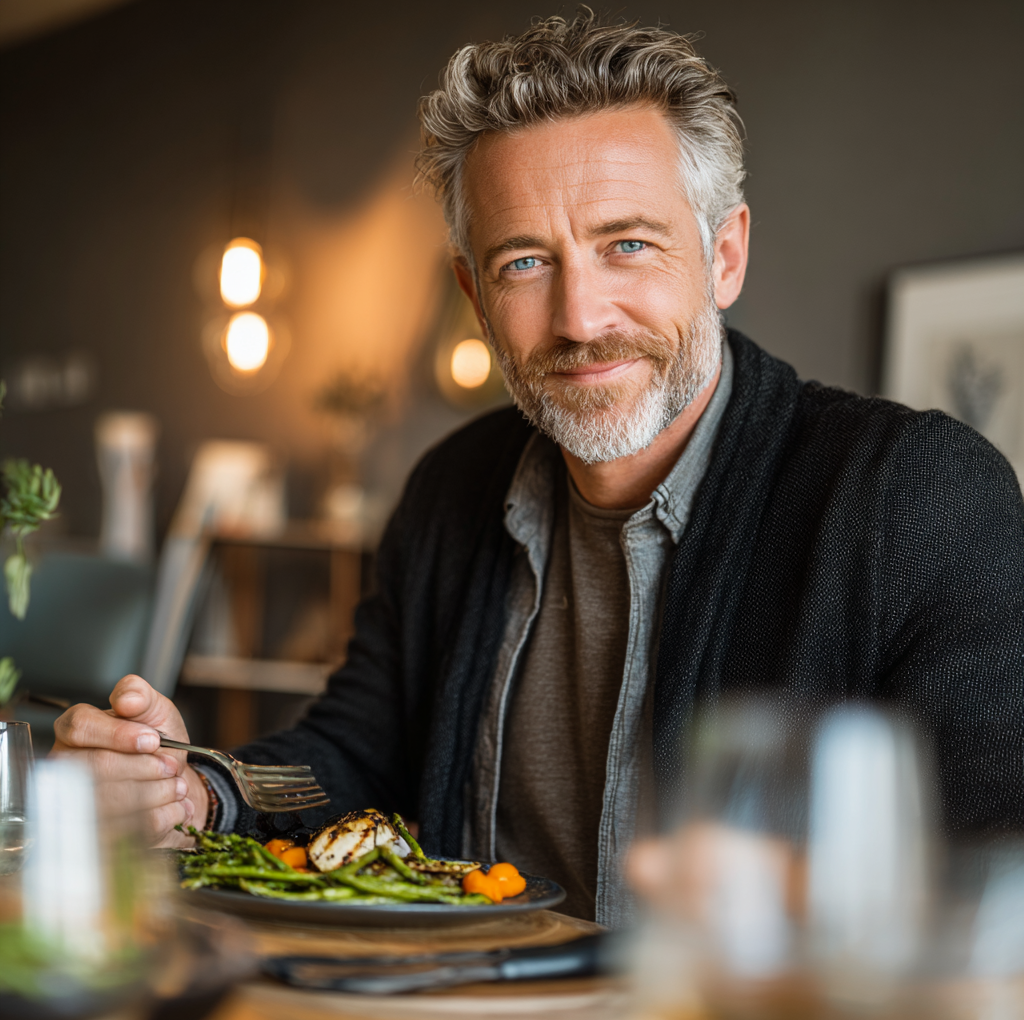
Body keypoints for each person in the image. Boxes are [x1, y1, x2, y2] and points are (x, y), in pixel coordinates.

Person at [53, 12, 1024, 925]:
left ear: (722, 256)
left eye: (628, 246)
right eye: (524, 262)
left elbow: (999, 873)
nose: (578, 317)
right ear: (474, 293)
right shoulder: (449, 490)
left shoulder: (913, 494)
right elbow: (352, 755)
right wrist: (202, 790)